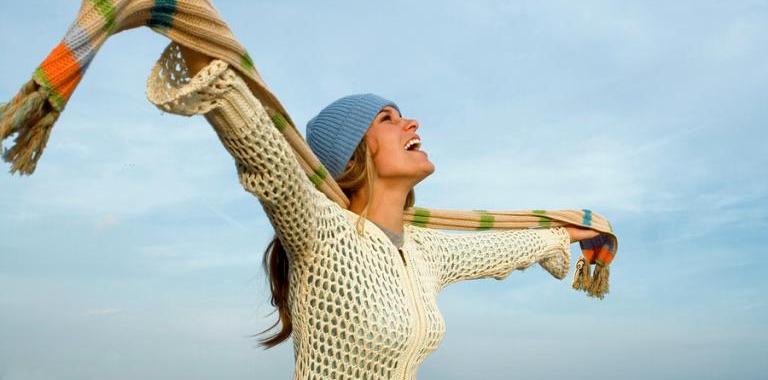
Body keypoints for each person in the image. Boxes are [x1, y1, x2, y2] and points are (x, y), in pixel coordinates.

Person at [144, 44, 598, 379]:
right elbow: (265, 155)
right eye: (387, 119)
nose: (411, 122)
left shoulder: (423, 251)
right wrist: (211, 63)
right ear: (351, 155)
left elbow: (499, 248)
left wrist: (562, 234)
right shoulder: (320, 232)